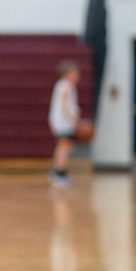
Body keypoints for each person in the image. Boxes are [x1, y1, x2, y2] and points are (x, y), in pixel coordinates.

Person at [47, 61, 80, 190]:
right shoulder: (66, 85)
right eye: (75, 73)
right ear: (68, 74)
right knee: (64, 147)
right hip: (64, 122)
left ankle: (57, 172)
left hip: (59, 121)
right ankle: (59, 175)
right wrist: (76, 119)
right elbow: (65, 106)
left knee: (63, 147)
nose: (77, 76)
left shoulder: (60, 85)